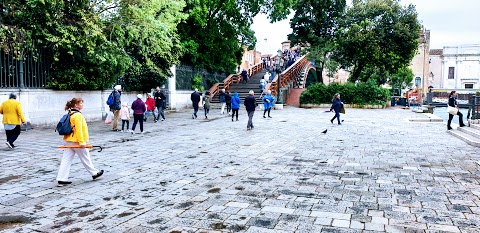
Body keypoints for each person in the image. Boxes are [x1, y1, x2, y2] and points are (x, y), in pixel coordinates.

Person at [56, 97, 104, 187]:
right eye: (81, 103)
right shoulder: (78, 115)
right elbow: (79, 130)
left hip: (68, 140)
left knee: (66, 160)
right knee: (86, 157)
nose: (82, 105)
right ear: (76, 105)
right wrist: (82, 142)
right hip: (76, 141)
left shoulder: (70, 113)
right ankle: (94, 173)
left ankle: (61, 178)